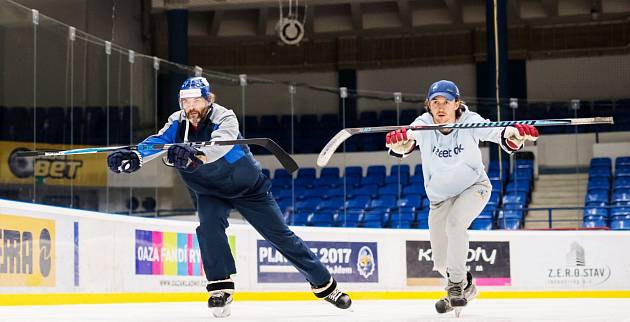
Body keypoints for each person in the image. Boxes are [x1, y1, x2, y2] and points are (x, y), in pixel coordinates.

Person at [106, 77, 351, 317]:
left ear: (208, 100)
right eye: (185, 102)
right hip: (209, 191)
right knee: (209, 228)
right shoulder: (177, 122)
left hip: (249, 190)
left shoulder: (224, 117)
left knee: (282, 237)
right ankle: (220, 289)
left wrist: (195, 155)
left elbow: (220, 145)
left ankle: (325, 285)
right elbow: (159, 143)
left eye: (196, 101)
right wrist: (135, 156)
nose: (191, 107)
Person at [385, 80, 538, 314]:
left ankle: (455, 285)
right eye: (435, 102)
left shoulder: (470, 121)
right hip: (440, 199)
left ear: (457, 104)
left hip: (474, 187)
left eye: (446, 101)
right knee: (439, 261)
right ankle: (466, 286)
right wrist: (399, 142)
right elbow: (407, 143)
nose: (441, 107)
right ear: (428, 105)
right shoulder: (423, 125)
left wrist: (513, 133)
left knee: (456, 225)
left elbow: (497, 132)